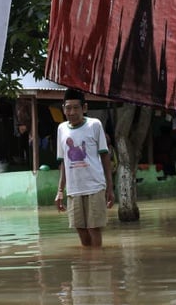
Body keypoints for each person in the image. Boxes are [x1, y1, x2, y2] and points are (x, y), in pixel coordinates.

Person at [54, 89, 114, 247]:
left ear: (84, 108)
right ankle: (86, 266)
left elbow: (104, 155)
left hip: (95, 186)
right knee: (80, 229)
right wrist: (60, 191)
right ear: (63, 109)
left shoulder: (95, 125)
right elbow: (63, 163)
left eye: (76, 108)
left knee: (94, 229)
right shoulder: (61, 129)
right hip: (74, 189)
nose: (71, 112)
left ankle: (98, 267)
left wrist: (110, 186)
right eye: (68, 108)